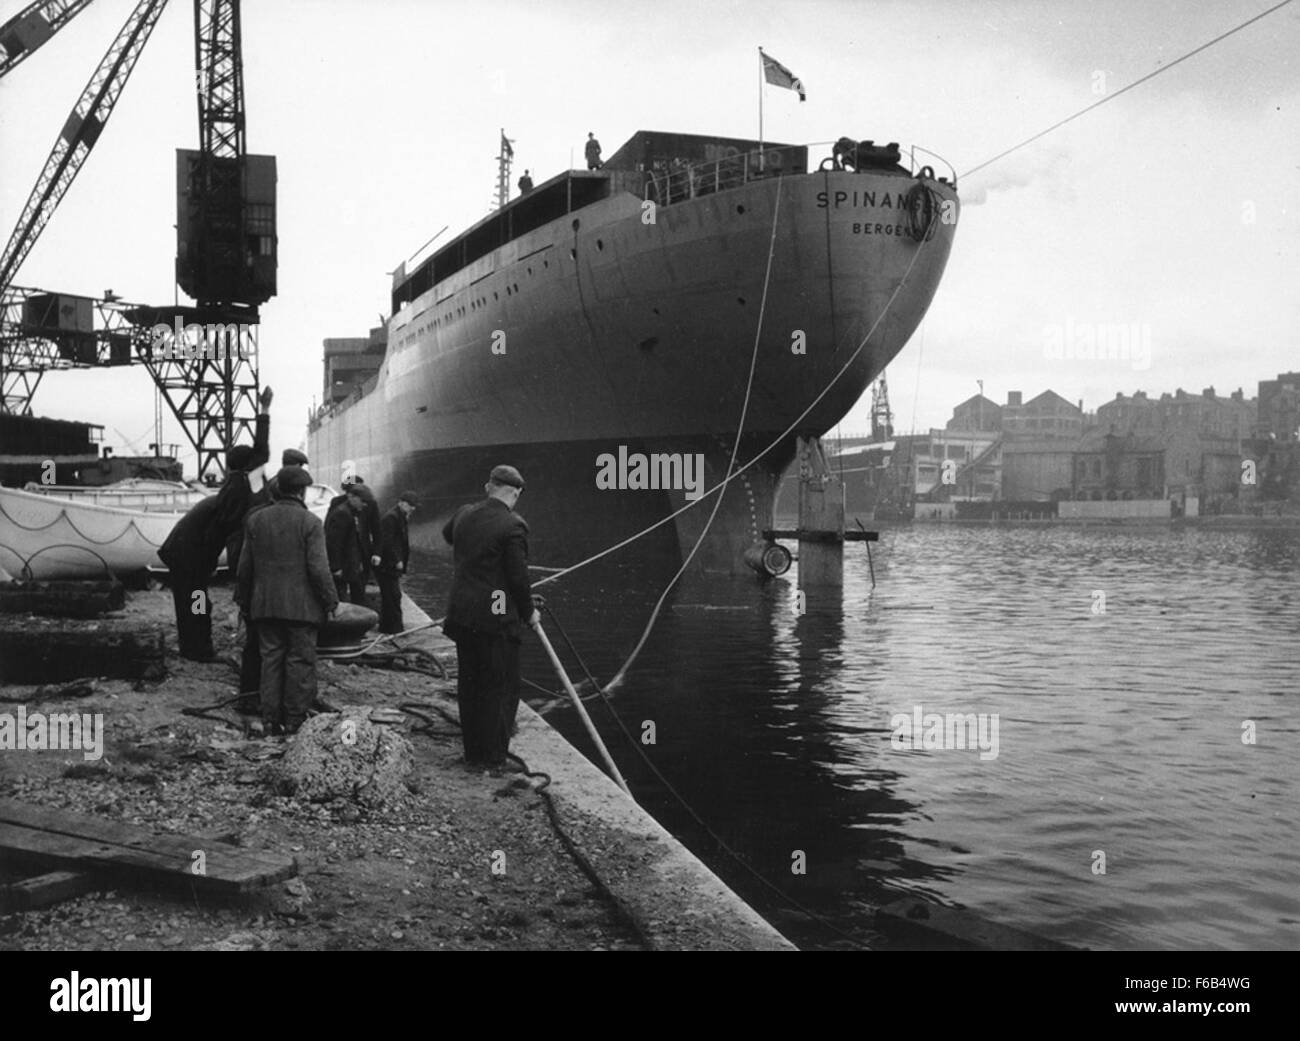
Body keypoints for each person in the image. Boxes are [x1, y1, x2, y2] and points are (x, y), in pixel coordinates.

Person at [158, 386, 273, 661]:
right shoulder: (237, 489)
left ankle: (194, 648)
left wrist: (265, 411)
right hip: (188, 554)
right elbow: (262, 455)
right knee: (196, 603)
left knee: (195, 602)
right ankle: (198, 651)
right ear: (247, 467)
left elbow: (259, 454)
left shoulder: (235, 482)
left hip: (188, 552)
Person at [442, 465, 541, 769]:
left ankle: (473, 754)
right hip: (496, 618)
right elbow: (518, 578)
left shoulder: (464, 513)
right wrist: (529, 612)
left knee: (470, 687)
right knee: (499, 690)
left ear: (489, 487)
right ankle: (494, 759)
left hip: (462, 615)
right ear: (514, 493)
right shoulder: (513, 525)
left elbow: (449, 536)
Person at [236, 466, 338, 736]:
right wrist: (331, 601)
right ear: (302, 491)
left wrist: (243, 601)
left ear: (279, 488)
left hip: (265, 607)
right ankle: (294, 720)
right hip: (301, 610)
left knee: (270, 660)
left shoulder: (256, 520)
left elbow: (244, 568)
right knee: (300, 662)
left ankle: (270, 719)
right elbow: (318, 569)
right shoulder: (311, 523)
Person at [235, 447, 309, 701]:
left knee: (264, 647)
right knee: (265, 647)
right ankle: (255, 698)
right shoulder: (281, 492)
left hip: (261, 581)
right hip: (268, 581)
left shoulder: (269, 492)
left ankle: (257, 699)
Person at [377, 490, 418, 634]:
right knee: (393, 595)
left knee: (392, 596)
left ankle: (389, 627)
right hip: (389, 565)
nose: (413, 508)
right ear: (401, 503)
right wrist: (396, 560)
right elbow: (387, 541)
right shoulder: (391, 518)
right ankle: (394, 629)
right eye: (410, 505)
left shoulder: (399, 516)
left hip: (391, 565)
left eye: (414, 505)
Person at [325, 484, 368, 604]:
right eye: (363, 502)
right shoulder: (342, 513)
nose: (364, 505)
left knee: (357, 596)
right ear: (353, 498)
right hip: (343, 566)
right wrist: (336, 567)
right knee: (342, 597)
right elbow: (334, 543)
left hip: (351, 564)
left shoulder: (352, 512)